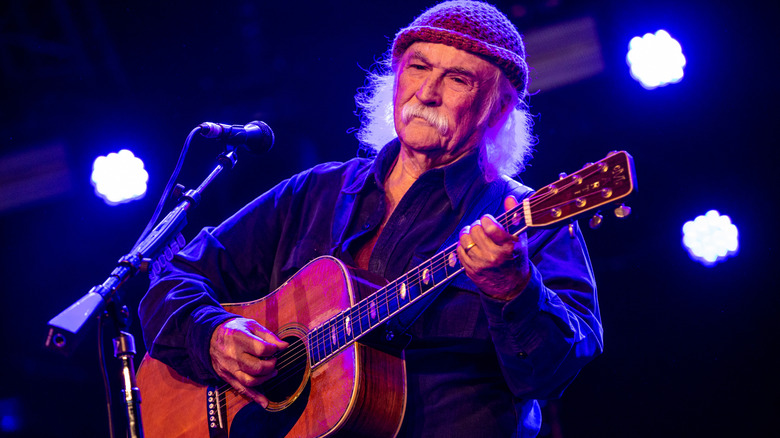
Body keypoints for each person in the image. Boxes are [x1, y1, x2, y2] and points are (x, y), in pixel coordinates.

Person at [139, 1, 603, 437]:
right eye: (418, 68)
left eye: (458, 79)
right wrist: (212, 335)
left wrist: (513, 288)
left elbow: (553, 373)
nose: (427, 93)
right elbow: (171, 281)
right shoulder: (317, 192)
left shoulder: (528, 222)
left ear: (497, 108)